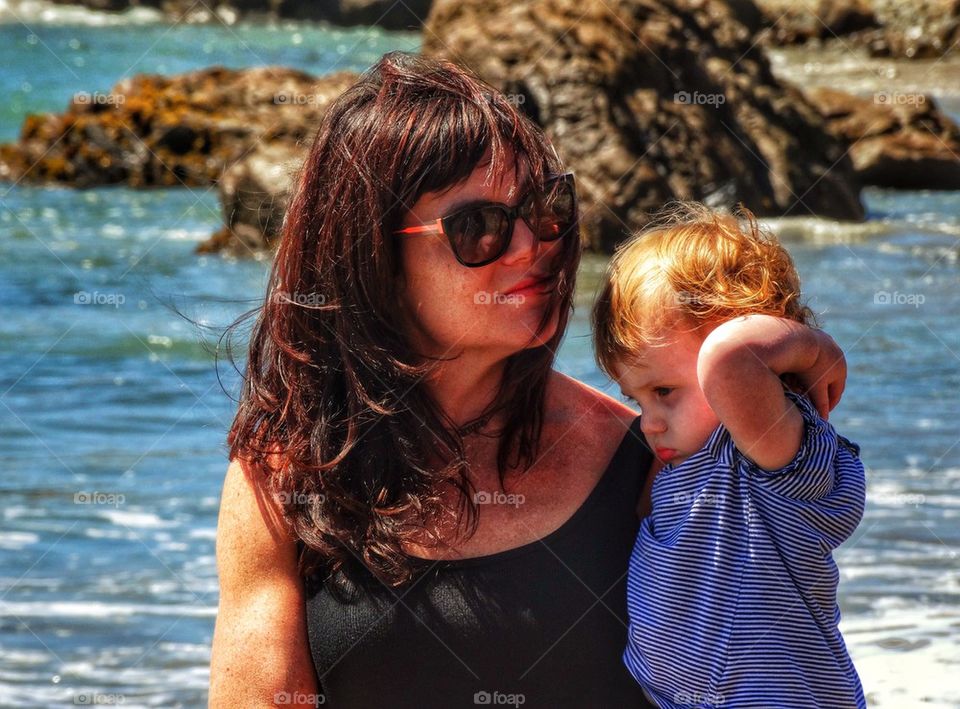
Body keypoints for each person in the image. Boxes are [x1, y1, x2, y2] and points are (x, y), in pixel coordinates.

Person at [208, 52, 847, 709]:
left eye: (544, 208)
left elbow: (779, 663)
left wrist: (804, 346)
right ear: (375, 256)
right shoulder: (287, 477)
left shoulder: (651, 463)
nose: (531, 245)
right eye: (477, 227)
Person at [592, 203, 866, 708]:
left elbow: (729, 359)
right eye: (638, 398)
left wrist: (814, 346)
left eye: (665, 390)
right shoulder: (685, 458)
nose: (647, 422)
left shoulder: (774, 454)